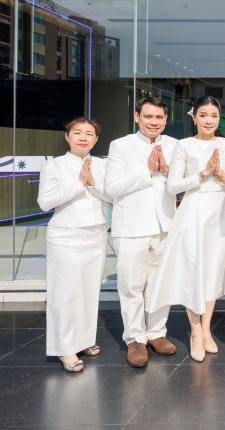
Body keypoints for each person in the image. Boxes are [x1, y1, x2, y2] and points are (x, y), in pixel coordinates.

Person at [146, 96, 225, 362]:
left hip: (220, 214)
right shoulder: (184, 145)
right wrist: (203, 174)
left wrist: (220, 174)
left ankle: (207, 329)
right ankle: (195, 332)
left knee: (213, 273)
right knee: (193, 272)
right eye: (204, 115)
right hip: (193, 213)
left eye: (214, 116)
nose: (209, 120)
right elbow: (173, 185)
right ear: (194, 117)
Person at [104, 96, 177, 368]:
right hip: (132, 227)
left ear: (166, 119)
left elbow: (182, 182)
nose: (153, 122)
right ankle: (135, 338)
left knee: (160, 284)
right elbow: (112, 187)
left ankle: (156, 333)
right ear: (137, 117)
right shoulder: (120, 146)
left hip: (164, 225)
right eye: (148, 117)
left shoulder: (174, 145)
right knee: (131, 286)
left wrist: (167, 170)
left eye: (159, 117)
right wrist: (147, 172)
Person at [37, 117, 111, 372]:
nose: (83, 137)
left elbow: (112, 195)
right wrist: (79, 182)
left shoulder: (102, 165)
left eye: (89, 133)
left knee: (88, 291)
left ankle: (84, 340)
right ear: (67, 137)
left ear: (96, 139)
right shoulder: (54, 166)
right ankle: (65, 347)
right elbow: (45, 202)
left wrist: (92, 182)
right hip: (65, 235)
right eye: (77, 132)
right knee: (66, 293)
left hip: (95, 233)